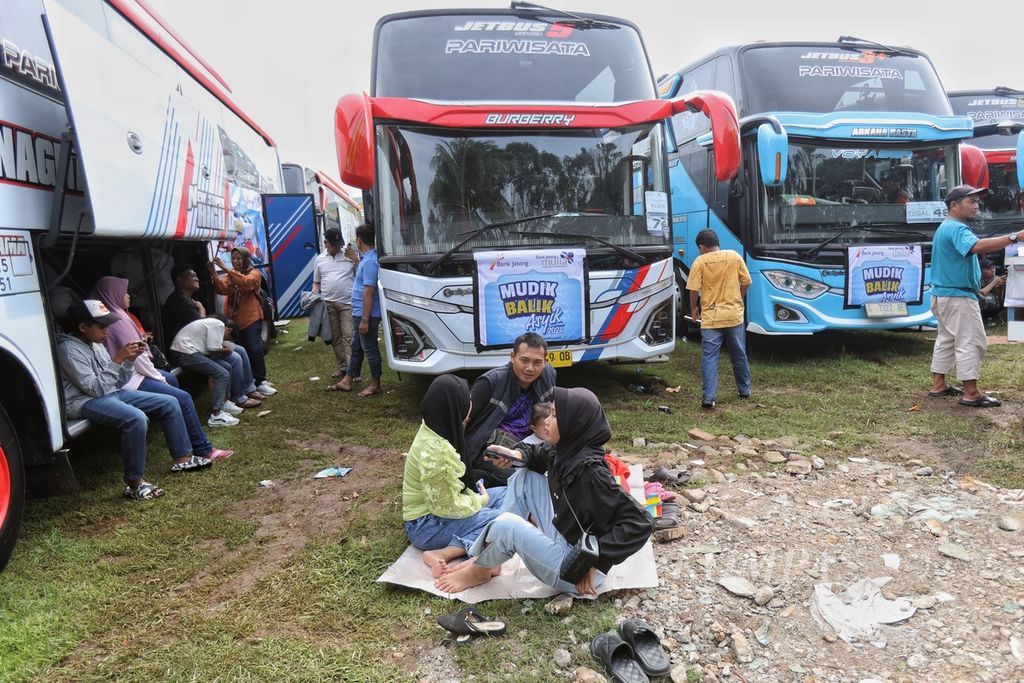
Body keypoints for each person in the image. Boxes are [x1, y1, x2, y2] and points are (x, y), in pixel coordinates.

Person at [435, 387, 653, 595]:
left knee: (508, 525)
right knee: (524, 475)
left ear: (573, 423)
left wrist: (591, 560)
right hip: (565, 539)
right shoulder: (568, 450)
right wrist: (514, 455)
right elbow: (536, 454)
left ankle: (481, 568)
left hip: (575, 572)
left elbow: (641, 522)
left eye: (555, 415)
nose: (546, 421)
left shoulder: (592, 474)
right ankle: (490, 558)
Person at [56, 300, 212, 500]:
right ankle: (134, 483)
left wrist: (129, 361)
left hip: (109, 393)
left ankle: (181, 458)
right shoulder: (68, 350)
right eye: (101, 327)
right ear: (82, 327)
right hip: (83, 401)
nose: (107, 331)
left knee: (169, 402)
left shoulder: (95, 344)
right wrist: (118, 359)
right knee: (136, 419)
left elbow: (119, 382)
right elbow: (96, 389)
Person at [90, 276, 232, 460]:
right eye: (124, 292)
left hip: (129, 374)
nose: (128, 296)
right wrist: (157, 377)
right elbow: (135, 357)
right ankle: (203, 449)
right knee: (182, 397)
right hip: (128, 378)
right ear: (113, 294)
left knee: (172, 381)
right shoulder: (116, 320)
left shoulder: (117, 315)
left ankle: (181, 434)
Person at [402, 375, 507, 578]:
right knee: (504, 520)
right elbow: (445, 507)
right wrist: (480, 500)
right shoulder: (435, 451)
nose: (470, 406)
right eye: (467, 401)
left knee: (508, 494)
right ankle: (469, 557)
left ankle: (448, 551)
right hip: (426, 525)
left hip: (441, 512)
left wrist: (476, 498)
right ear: (454, 406)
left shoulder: (437, 425)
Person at [928, 185, 1021, 407]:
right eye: (971, 201)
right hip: (958, 297)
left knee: (947, 340)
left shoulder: (945, 227)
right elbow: (976, 246)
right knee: (971, 341)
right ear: (953, 205)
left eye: (977, 202)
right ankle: (972, 393)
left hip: (943, 295)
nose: (977, 206)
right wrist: (1014, 237)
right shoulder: (957, 229)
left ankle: (938, 384)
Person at [464, 332, 556, 488]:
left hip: (529, 446)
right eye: (524, 360)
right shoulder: (491, 381)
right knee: (516, 479)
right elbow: (464, 418)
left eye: (537, 362)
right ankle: (464, 476)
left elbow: (554, 413)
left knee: (545, 474)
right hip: (488, 447)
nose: (530, 368)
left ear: (545, 362)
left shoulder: (548, 376)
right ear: (512, 357)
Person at [686, 228, 752, 409]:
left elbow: (693, 289)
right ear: (717, 243)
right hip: (734, 315)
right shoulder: (734, 256)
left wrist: (694, 309)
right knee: (739, 353)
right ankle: (744, 390)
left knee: (709, 357)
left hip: (711, 318)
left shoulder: (700, 261)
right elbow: (746, 281)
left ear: (702, 247)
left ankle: (709, 397)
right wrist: (738, 297)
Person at [169, 316, 262, 426]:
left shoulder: (214, 323)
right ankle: (216, 415)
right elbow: (213, 348)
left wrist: (222, 349)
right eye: (226, 338)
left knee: (226, 367)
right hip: (185, 353)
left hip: (185, 351)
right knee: (222, 374)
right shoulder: (219, 325)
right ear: (229, 330)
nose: (224, 340)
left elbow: (209, 347)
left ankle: (225, 403)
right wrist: (225, 349)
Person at [208, 247, 276, 397]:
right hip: (236, 320)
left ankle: (261, 381)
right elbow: (222, 289)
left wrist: (226, 268)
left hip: (252, 317)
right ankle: (249, 382)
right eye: (233, 258)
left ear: (245, 259)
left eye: (238, 258)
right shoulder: (231, 276)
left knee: (254, 349)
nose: (235, 261)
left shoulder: (255, 273)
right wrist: (213, 272)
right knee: (242, 352)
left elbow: (246, 283)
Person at [333, 224, 382, 397]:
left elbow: (369, 292)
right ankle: (347, 380)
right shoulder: (367, 259)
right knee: (356, 346)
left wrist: (365, 319)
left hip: (365, 314)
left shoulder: (370, 261)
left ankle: (375, 384)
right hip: (359, 313)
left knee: (369, 348)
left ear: (359, 239)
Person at [316, 228, 361, 388]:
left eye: (337, 244)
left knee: (349, 336)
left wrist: (355, 259)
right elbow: (317, 281)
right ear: (325, 243)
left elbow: (362, 273)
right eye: (332, 244)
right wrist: (315, 296)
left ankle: (353, 371)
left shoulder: (349, 256)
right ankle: (343, 367)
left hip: (348, 303)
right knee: (335, 337)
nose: (336, 247)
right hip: (328, 303)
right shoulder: (320, 259)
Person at [977, 257, 1006, 327]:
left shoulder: (997, 278)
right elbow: (979, 294)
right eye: (988, 269)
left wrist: (1001, 289)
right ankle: (984, 319)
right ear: (980, 270)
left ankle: (1000, 318)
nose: (992, 270)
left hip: (996, 308)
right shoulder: (977, 280)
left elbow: (1001, 299)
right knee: (988, 299)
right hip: (979, 309)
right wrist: (993, 283)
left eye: (993, 268)